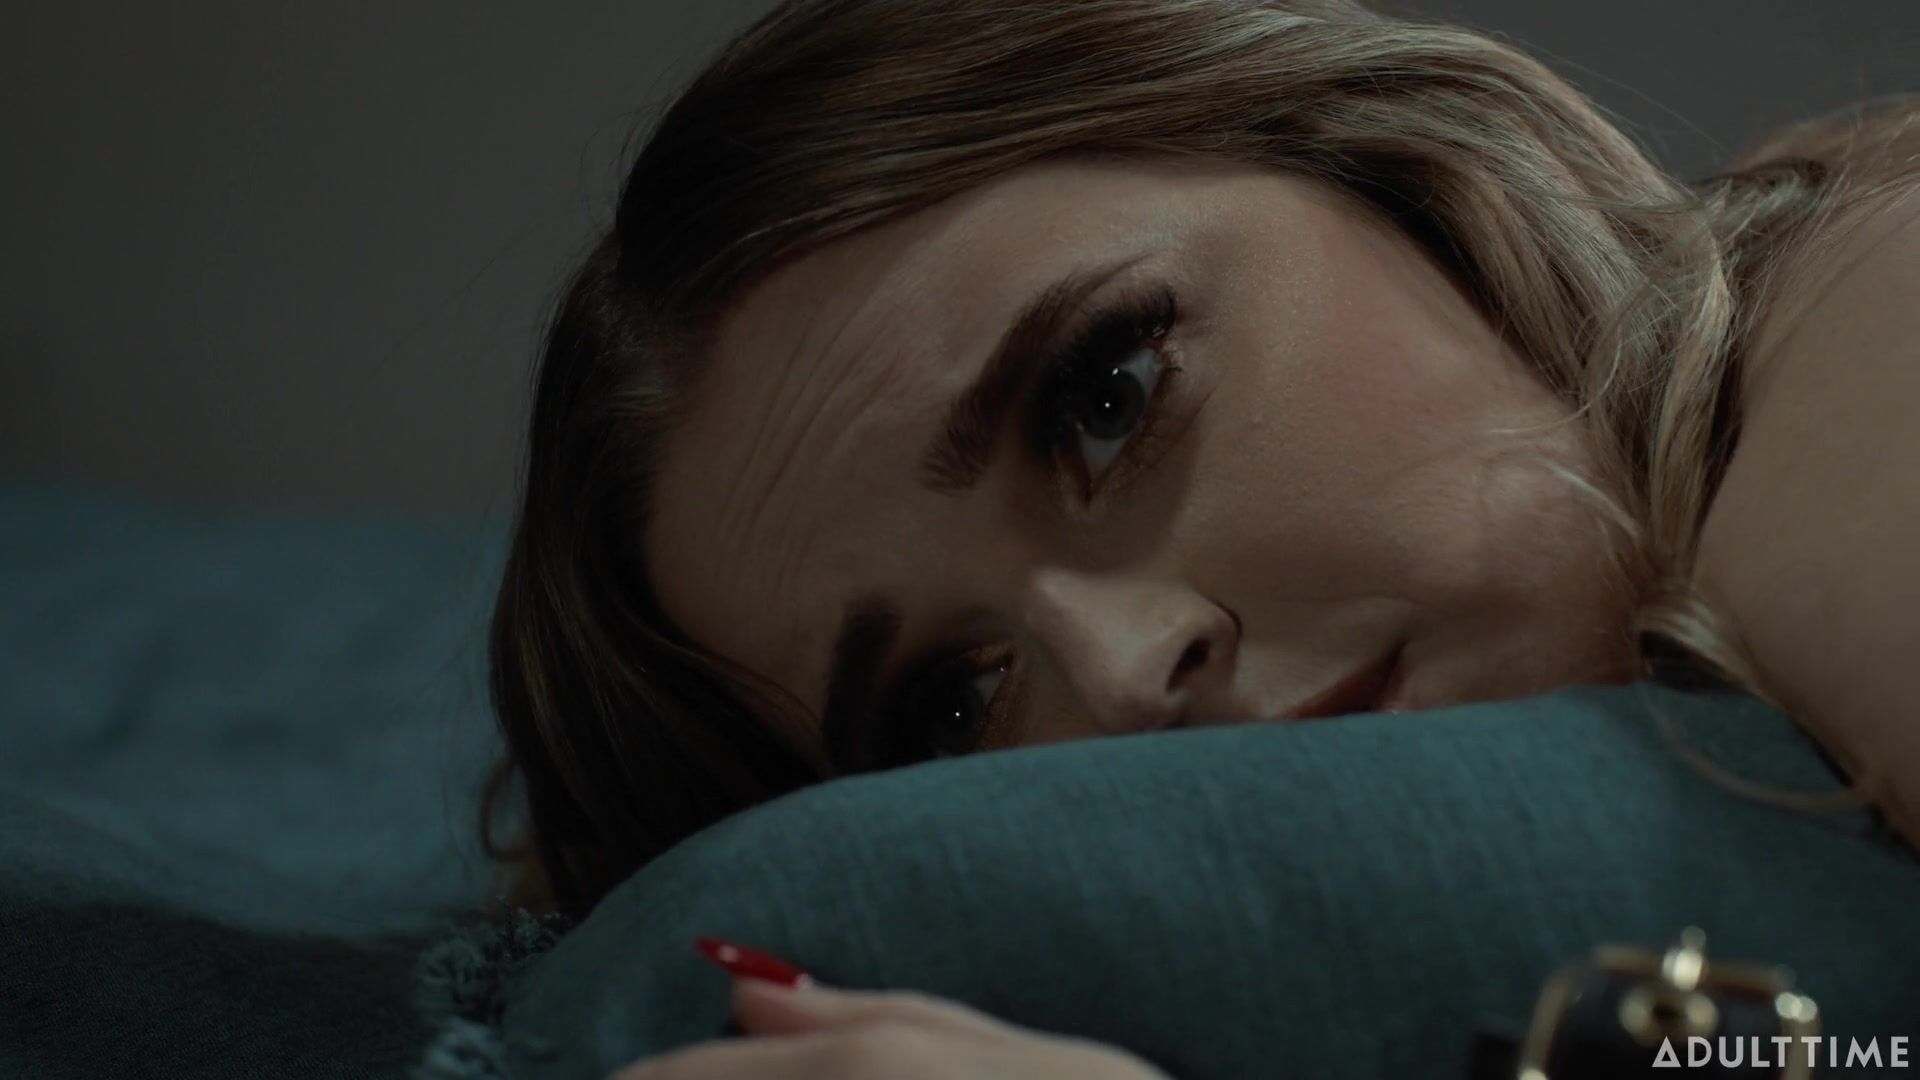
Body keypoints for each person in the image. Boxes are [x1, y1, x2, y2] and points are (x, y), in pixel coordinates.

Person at [476, 0, 1920, 1074]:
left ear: (1402, 170)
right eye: (949, 706)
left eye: (1108, 398)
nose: (1123, 670)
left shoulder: (1857, 303)